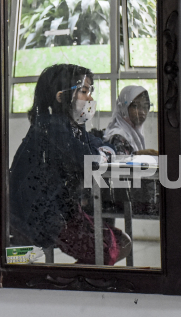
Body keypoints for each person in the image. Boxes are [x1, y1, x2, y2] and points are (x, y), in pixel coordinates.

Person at [9, 64, 131, 265]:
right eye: (84, 92)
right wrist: (103, 153)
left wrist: (105, 150)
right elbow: (89, 160)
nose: (90, 99)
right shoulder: (53, 126)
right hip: (41, 218)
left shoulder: (69, 126)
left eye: (90, 92)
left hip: (60, 212)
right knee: (109, 250)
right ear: (60, 97)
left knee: (121, 242)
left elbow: (95, 145)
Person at [104, 85, 155, 155]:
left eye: (145, 106)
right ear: (123, 108)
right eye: (135, 106)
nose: (142, 112)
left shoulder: (135, 133)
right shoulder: (118, 136)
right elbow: (121, 164)